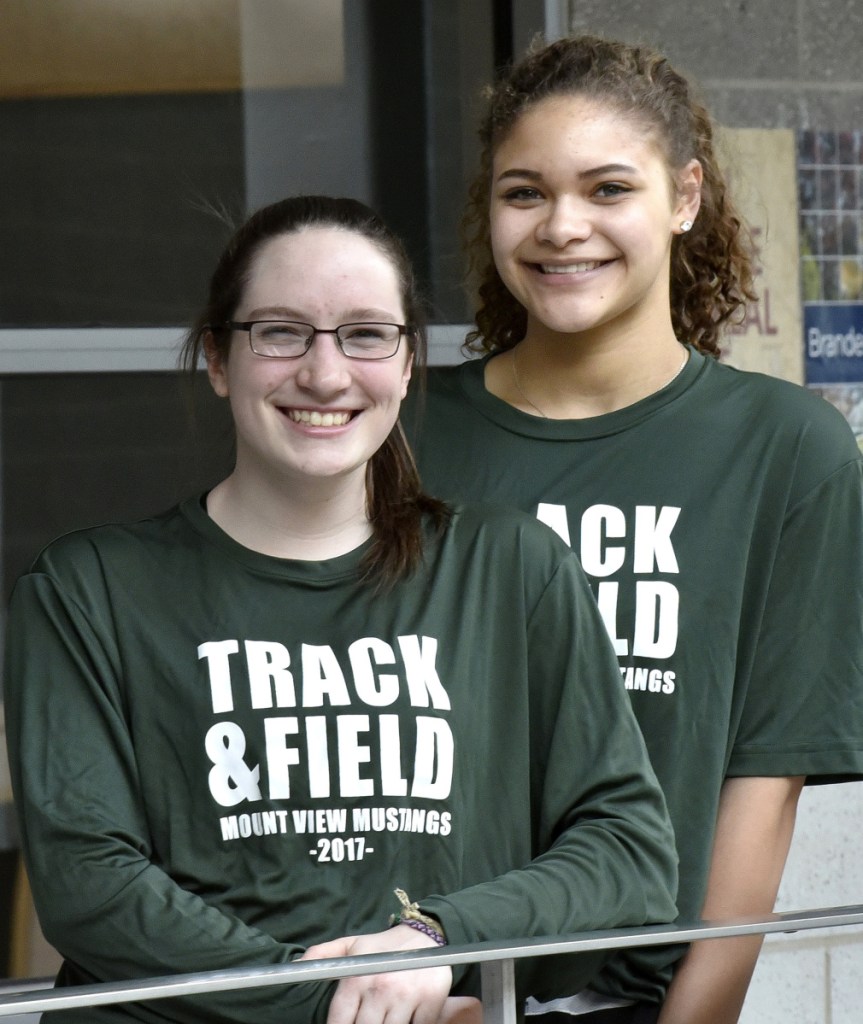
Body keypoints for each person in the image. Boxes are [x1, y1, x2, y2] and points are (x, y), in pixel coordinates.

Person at [4, 194, 679, 1024]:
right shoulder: (90, 590)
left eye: (365, 334)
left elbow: (627, 852)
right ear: (219, 358)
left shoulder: (510, 569)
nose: (324, 374)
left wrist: (438, 941)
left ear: (403, 365)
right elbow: (88, 884)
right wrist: (336, 1006)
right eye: (281, 332)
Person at [403, 33, 863, 1024]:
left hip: (622, 999)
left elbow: (761, 787)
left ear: (683, 197)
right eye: (522, 192)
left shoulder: (786, 450)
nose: (561, 226)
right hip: (405, 988)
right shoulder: (402, 431)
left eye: (607, 188)